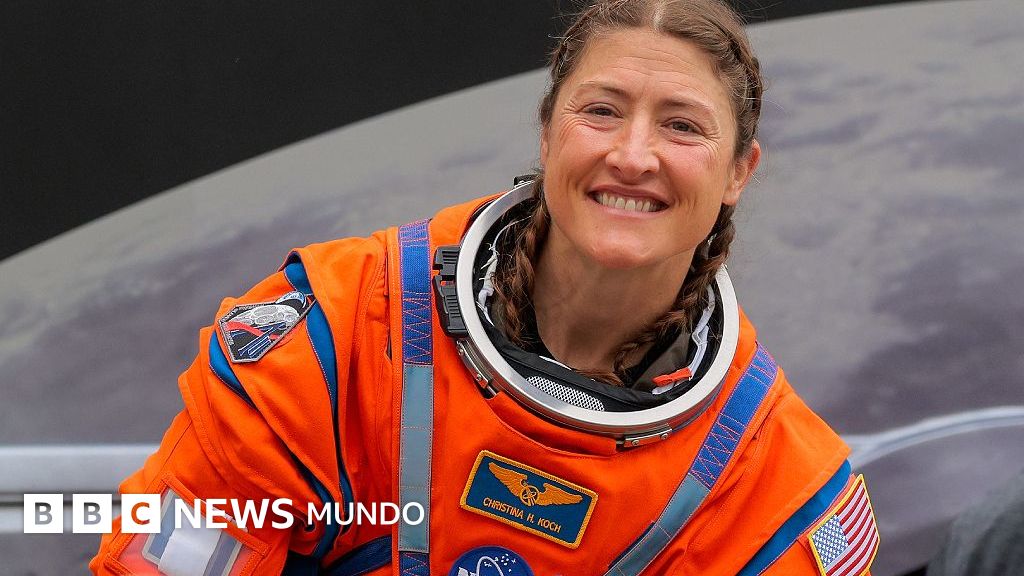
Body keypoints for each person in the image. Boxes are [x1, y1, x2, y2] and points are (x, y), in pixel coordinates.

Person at [92, 1, 879, 574]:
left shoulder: (777, 492)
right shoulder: (336, 335)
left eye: (682, 126)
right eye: (602, 111)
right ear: (547, 133)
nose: (634, 156)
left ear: (740, 171)